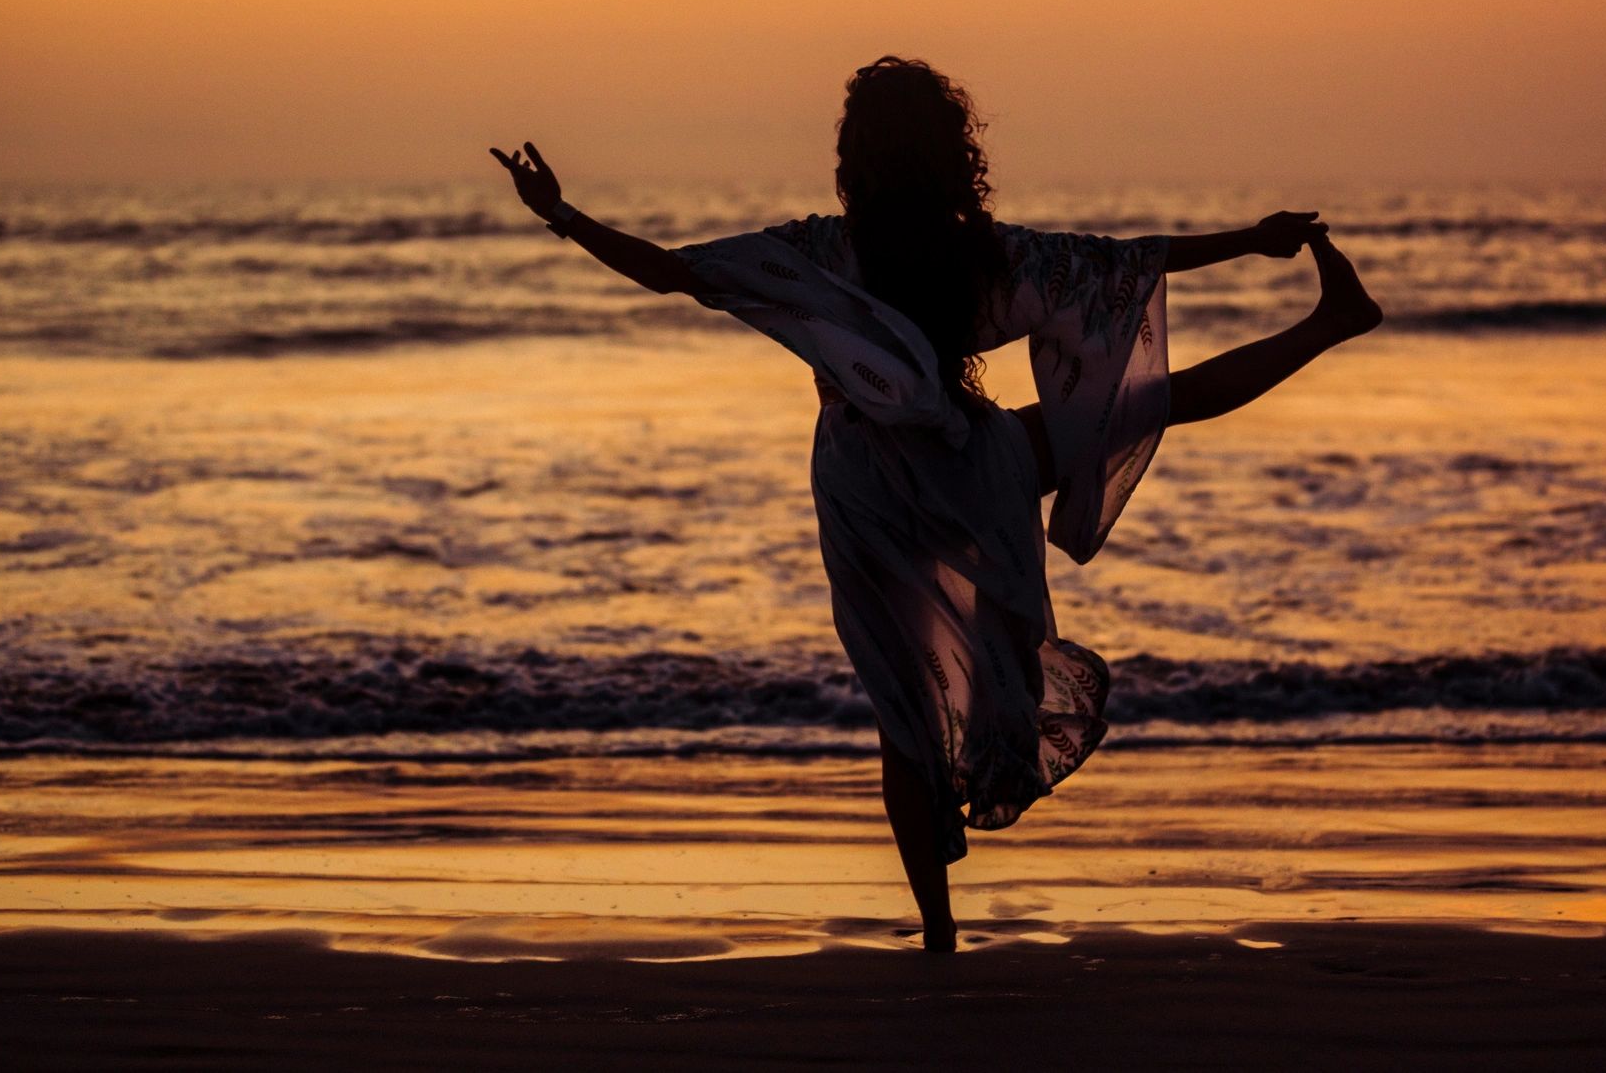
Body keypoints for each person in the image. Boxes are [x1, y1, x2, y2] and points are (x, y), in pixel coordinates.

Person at [490, 56, 1379, 953]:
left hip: (867, 488)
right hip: (974, 465)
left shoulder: (822, 249)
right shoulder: (980, 250)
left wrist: (563, 216)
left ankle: (938, 930)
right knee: (1155, 401)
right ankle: (1323, 325)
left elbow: (673, 272)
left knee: (901, 701)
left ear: (853, 155)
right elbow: (1125, 263)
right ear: (951, 151)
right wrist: (1250, 239)